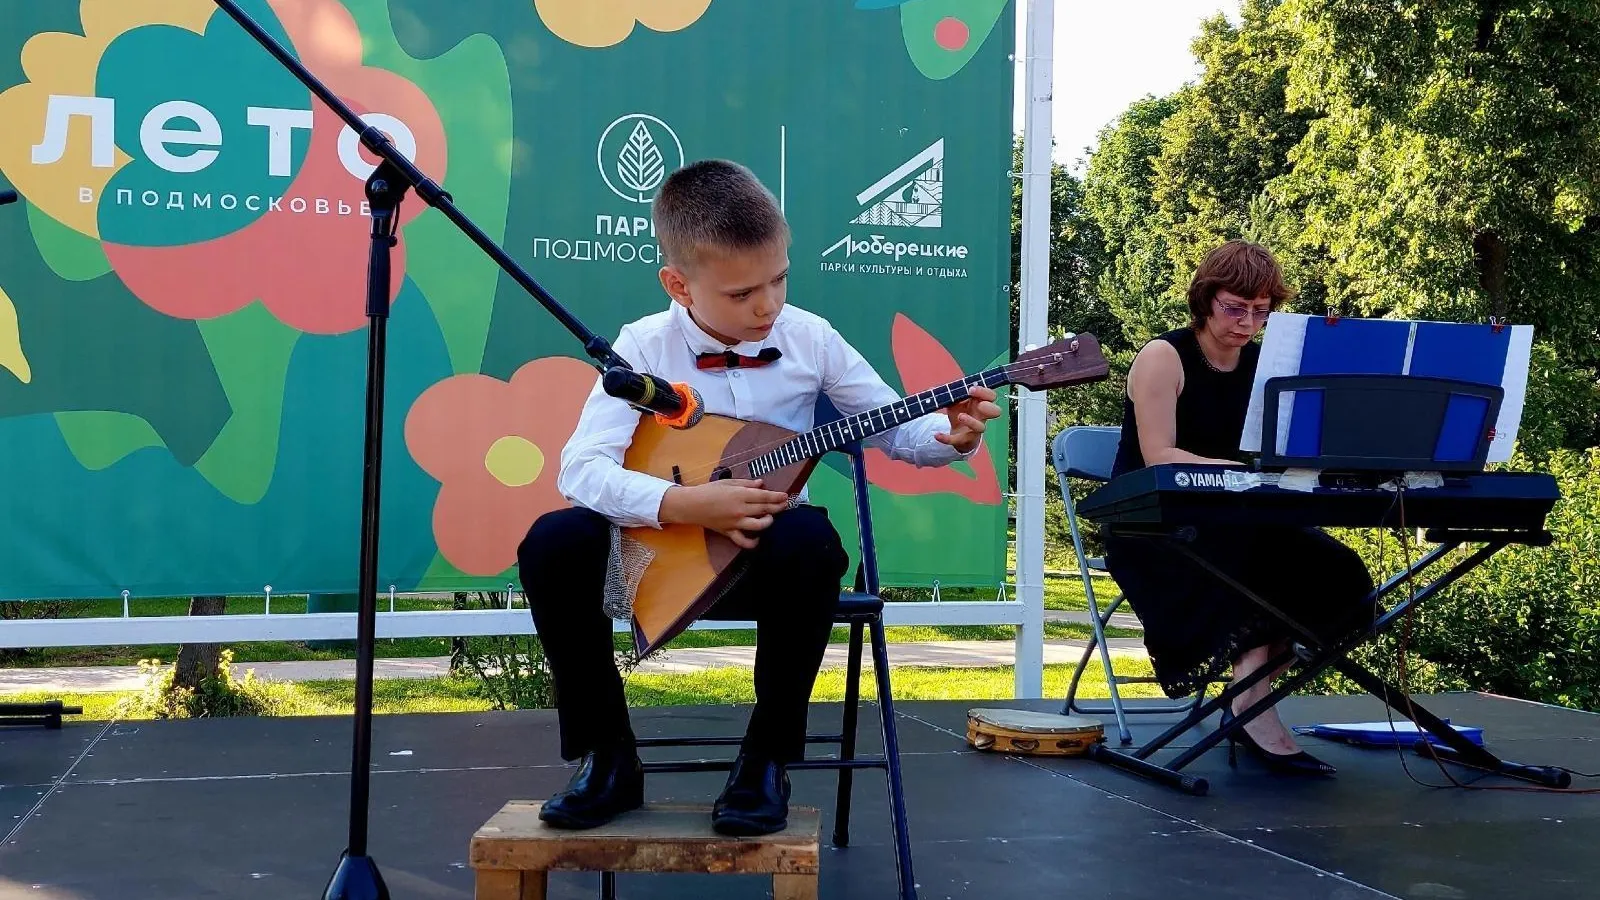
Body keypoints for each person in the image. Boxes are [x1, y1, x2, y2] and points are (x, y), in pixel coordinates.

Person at [516, 159, 1002, 835]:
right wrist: (682, 504)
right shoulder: (641, 346)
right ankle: (608, 758)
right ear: (678, 284)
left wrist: (951, 437)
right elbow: (581, 470)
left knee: (810, 541)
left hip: (771, 570)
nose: (768, 306)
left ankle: (766, 760)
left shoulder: (811, 338)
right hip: (658, 564)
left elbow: (899, 432)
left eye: (779, 279)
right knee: (553, 542)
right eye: (742, 292)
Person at [1103, 239, 1376, 777]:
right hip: (1156, 525)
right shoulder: (1164, 356)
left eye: (1260, 311)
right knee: (1250, 571)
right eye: (1235, 307)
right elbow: (1160, 455)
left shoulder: (1264, 365)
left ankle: (1249, 693)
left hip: (1239, 519)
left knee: (1335, 572)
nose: (1247, 322)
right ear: (1205, 299)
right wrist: (1247, 473)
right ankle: (1252, 707)